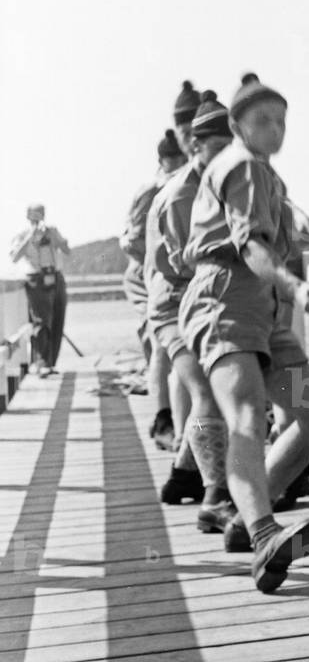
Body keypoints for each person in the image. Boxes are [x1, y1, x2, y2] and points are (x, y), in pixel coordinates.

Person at [180, 73, 309, 593]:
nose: (275, 129)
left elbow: (276, 233)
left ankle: (245, 518)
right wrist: (294, 285)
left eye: (282, 121)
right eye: (263, 120)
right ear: (237, 125)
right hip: (226, 304)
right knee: (247, 413)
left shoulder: (267, 175)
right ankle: (265, 534)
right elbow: (250, 245)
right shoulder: (242, 167)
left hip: (265, 317)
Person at [145, 90, 234, 523]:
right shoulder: (182, 196)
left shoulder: (234, 180)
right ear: (195, 146)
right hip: (178, 308)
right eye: (218, 146)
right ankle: (215, 497)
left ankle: (184, 474)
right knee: (208, 393)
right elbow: (185, 264)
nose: (228, 155)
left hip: (225, 308)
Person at [121, 125, 189, 447]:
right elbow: (132, 241)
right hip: (154, 278)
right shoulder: (155, 191)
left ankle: (183, 429)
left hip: (177, 277)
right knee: (161, 342)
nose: (177, 163)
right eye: (172, 158)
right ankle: (165, 421)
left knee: (178, 352)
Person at [9, 204, 72, 375]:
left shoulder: (51, 231)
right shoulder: (22, 234)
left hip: (55, 276)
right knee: (41, 321)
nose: (38, 218)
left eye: (40, 214)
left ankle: (50, 363)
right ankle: (41, 363)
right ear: (28, 216)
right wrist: (30, 237)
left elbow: (67, 251)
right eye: (35, 214)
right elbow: (14, 257)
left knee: (57, 320)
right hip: (36, 279)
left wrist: (56, 238)